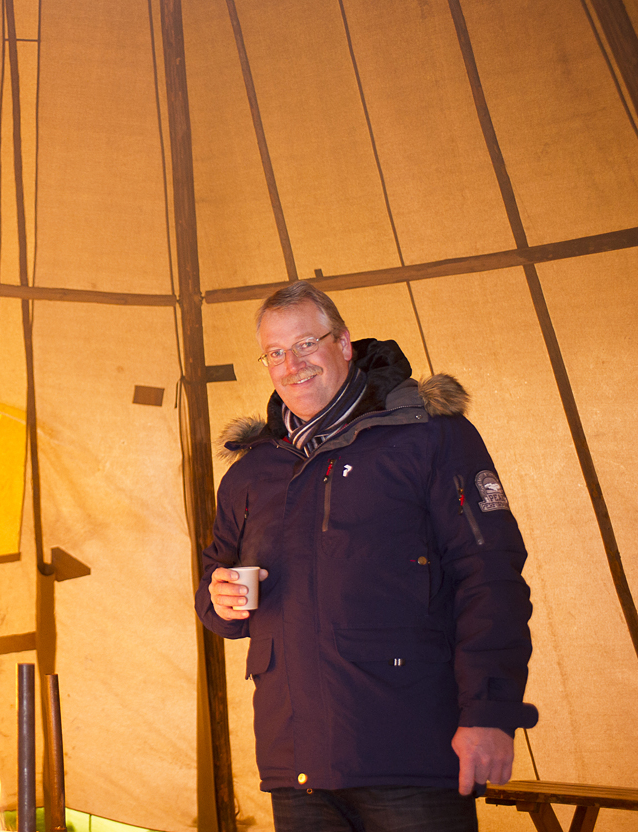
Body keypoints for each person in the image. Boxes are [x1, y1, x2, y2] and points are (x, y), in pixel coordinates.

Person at [195, 283, 538, 831]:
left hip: (411, 756)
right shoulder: (252, 472)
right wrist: (218, 599)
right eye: (275, 353)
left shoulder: (428, 438)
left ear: (345, 343)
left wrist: (490, 714)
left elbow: (490, 576)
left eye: (307, 344)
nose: (292, 365)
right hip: (297, 766)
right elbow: (216, 582)